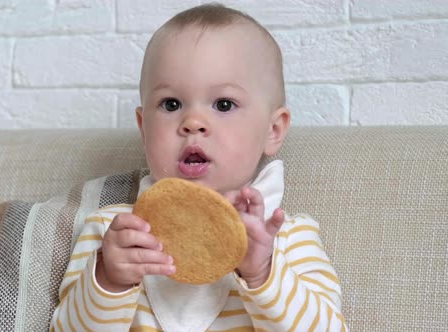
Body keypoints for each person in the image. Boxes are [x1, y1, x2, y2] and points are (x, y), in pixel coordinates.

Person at [50, 3, 347, 331]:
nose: (192, 122)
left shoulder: (288, 238)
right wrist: (108, 280)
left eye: (223, 104)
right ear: (144, 127)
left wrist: (263, 274)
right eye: (171, 104)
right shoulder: (114, 233)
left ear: (272, 130)